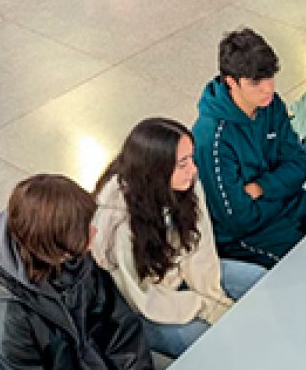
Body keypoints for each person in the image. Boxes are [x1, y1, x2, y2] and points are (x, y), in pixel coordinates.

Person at [0, 174, 153, 370]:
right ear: (54, 247)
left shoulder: (74, 258)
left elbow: (120, 329)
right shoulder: (5, 322)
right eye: (82, 231)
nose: (94, 233)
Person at [91, 119, 266, 358]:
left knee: (259, 280)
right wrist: (205, 307)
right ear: (156, 170)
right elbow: (142, 298)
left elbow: (201, 247)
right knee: (208, 341)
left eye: (191, 158)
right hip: (148, 304)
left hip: (182, 271)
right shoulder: (116, 223)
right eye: (182, 164)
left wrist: (214, 297)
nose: (193, 170)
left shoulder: (187, 183)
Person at [192, 29, 306, 267]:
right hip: (250, 234)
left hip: (291, 203)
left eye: (270, 77)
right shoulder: (211, 140)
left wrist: (261, 187)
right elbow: (237, 219)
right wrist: (282, 186)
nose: (268, 88)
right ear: (231, 82)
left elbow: (299, 165)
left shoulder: (271, 105)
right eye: (255, 83)